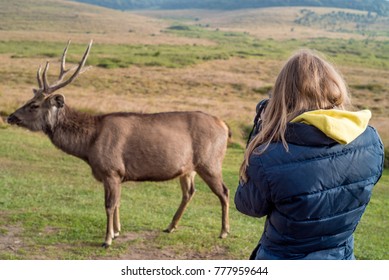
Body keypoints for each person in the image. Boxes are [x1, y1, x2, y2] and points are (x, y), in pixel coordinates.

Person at [235, 49, 384, 260]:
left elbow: (248, 205)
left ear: (283, 96)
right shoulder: (370, 140)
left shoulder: (269, 155)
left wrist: (260, 134)